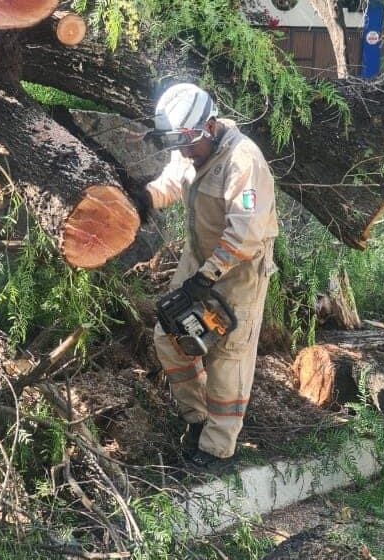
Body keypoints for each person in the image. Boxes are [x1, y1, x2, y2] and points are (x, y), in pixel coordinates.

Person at [134, 83, 279, 471]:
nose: (184, 152)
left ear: (209, 127)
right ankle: (196, 420)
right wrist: (143, 198)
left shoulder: (243, 161)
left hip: (238, 270)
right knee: (169, 336)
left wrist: (209, 275)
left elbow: (245, 234)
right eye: (178, 144)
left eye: (188, 144)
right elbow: (172, 180)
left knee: (227, 358)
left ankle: (218, 448)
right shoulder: (190, 149)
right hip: (197, 262)